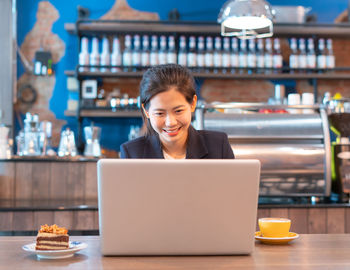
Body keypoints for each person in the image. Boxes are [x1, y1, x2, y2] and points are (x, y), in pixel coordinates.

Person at [120, 64, 234, 159]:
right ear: (146, 111)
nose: (170, 123)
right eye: (160, 113)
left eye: (178, 111)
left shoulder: (219, 146)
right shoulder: (132, 153)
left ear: (193, 103)